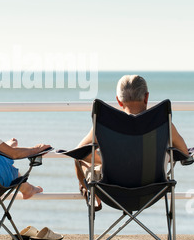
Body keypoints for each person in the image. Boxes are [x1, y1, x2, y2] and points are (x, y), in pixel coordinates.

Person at [75, 74, 189, 207]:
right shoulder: (163, 124)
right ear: (146, 97)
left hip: (112, 193)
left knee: (79, 160)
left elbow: (80, 152)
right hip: (153, 192)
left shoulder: (105, 125)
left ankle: (93, 197)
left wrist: (109, 159)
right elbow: (184, 153)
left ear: (118, 100)